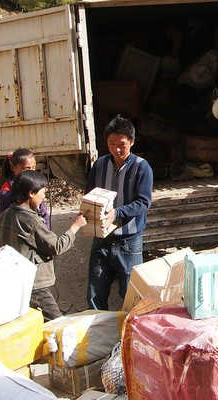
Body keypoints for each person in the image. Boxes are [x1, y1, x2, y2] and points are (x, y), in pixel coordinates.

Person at [0, 170, 87, 320]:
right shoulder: (31, 220)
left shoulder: (5, 215)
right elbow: (57, 246)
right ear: (31, 193)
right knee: (57, 323)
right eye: (43, 192)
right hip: (34, 284)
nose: (44, 197)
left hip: (13, 279)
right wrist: (75, 226)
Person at [86, 115, 153, 311]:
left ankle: (130, 329)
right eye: (111, 144)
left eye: (121, 145)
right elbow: (90, 194)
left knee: (131, 295)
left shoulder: (142, 167)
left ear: (131, 142)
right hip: (101, 238)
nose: (116, 149)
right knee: (95, 293)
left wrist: (117, 213)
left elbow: (143, 202)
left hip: (128, 240)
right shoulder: (100, 165)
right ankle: (96, 329)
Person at [0, 148, 51, 250]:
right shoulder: (6, 194)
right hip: (16, 246)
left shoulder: (36, 188)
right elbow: (0, 225)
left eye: (34, 168)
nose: (31, 172)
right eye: (27, 168)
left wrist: (46, 237)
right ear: (13, 167)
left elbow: (44, 215)